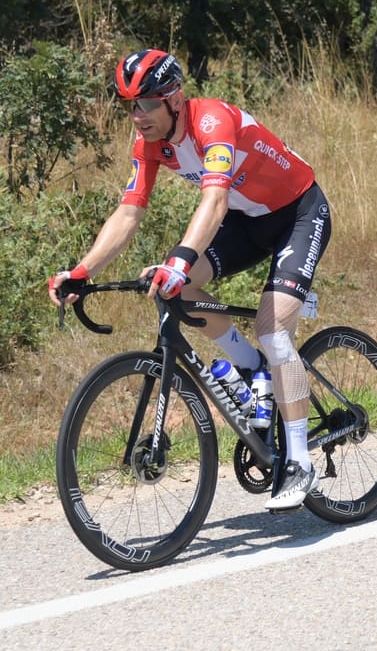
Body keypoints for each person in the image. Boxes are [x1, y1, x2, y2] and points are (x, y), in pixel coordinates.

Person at [47, 48, 331, 510]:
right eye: (129, 106)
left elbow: (214, 200)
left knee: (274, 330)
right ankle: (251, 367)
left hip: (298, 212)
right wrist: (81, 271)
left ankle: (299, 462)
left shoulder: (213, 122)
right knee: (181, 291)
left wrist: (178, 258)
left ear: (174, 99)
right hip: (247, 221)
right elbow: (130, 211)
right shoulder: (149, 144)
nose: (137, 117)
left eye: (146, 104)